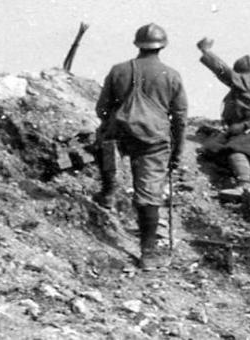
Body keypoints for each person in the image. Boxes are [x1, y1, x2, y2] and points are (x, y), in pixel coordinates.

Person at [94, 23, 188, 269]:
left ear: (137, 45)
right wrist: (177, 152)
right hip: (154, 140)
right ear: (162, 46)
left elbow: (101, 109)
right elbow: (180, 119)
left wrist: (115, 119)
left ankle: (108, 191)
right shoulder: (172, 75)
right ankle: (147, 253)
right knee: (148, 195)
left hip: (120, 133)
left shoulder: (119, 70)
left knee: (105, 142)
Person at [194, 37, 250, 201]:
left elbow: (225, 73)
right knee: (216, 152)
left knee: (234, 150)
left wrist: (206, 52)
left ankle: (244, 186)